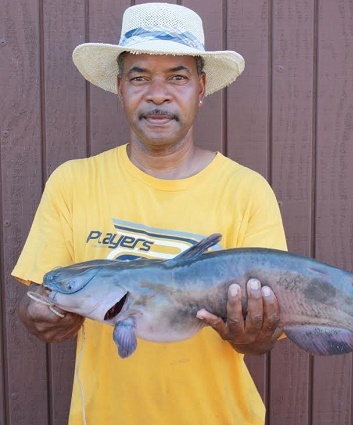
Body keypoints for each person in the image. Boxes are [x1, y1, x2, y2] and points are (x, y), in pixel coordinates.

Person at [12, 3, 287, 425]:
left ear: (201, 87)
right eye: (140, 77)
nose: (158, 94)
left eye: (177, 77)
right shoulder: (72, 183)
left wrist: (255, 336)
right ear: (120, 87)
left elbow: (266, 332)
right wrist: (39, 317)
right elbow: (36, 301)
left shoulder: (247, 191)